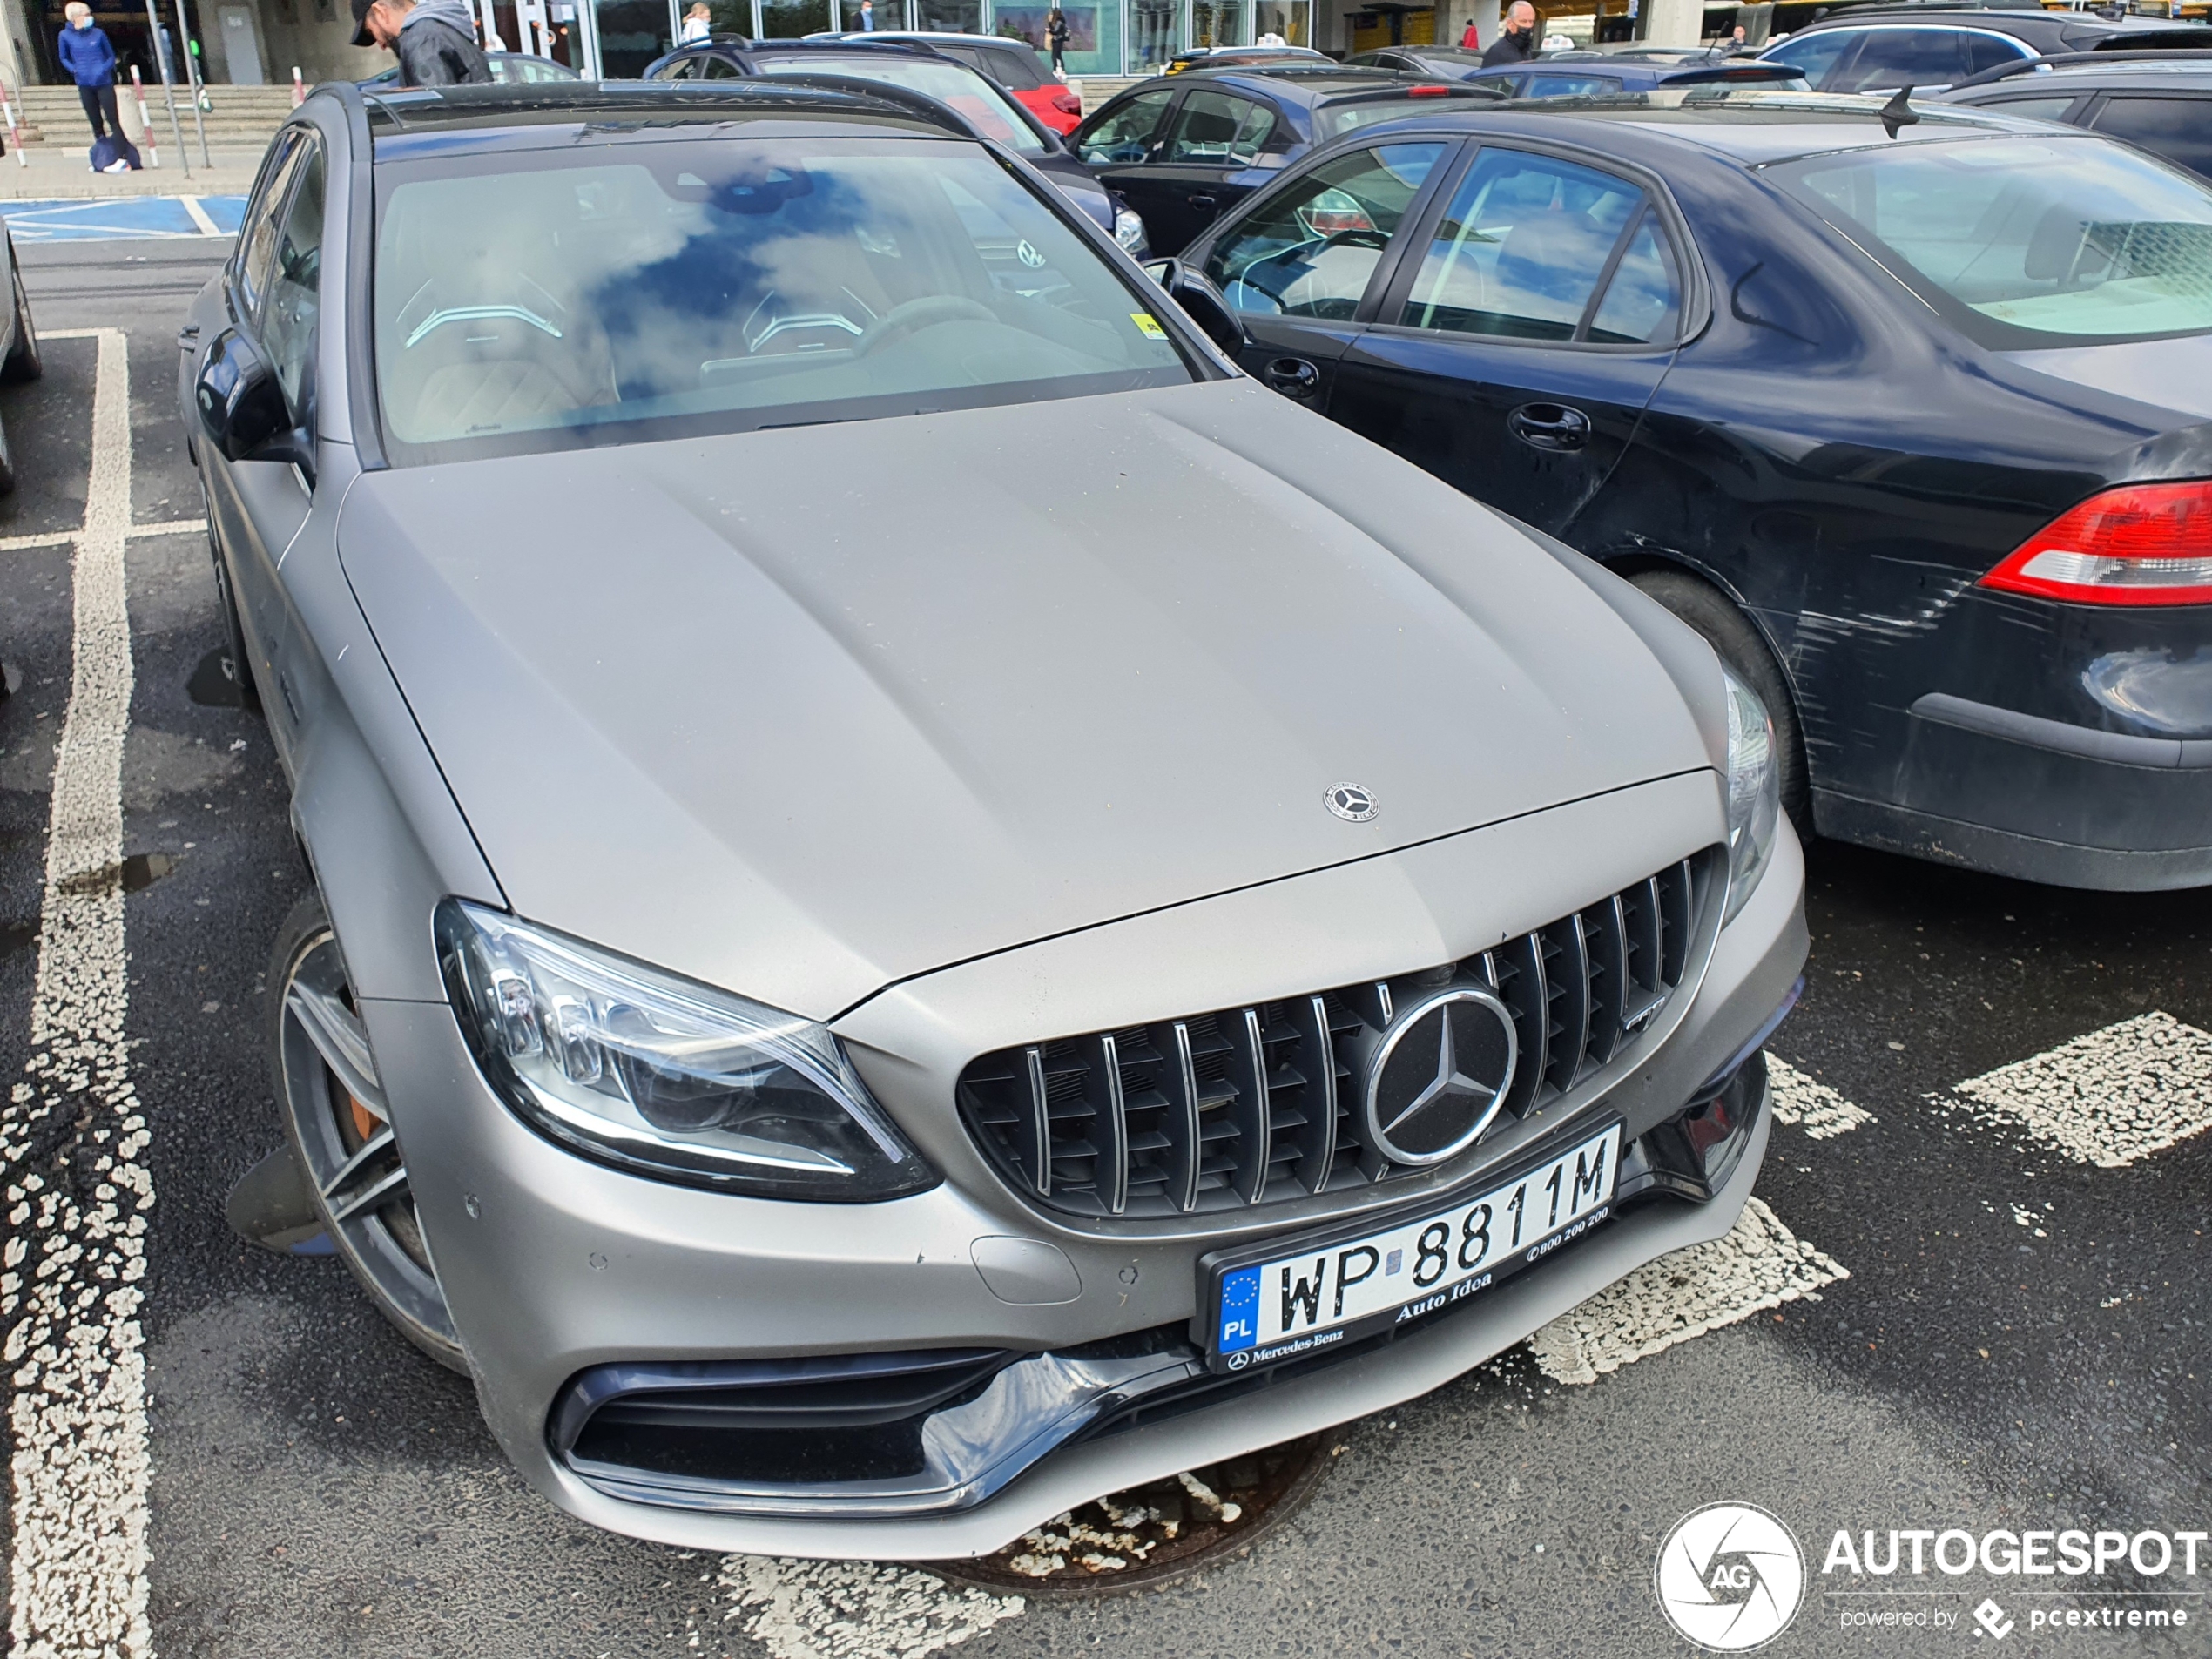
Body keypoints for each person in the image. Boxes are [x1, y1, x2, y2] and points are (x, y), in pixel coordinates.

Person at [351, 0, 491, 86]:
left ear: (380, 13)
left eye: (371, 32)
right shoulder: (442, 26)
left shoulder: (421, 41)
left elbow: (435, 115)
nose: (381, 45)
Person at [56, 3, 120, 144]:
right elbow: (63, 57)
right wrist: (74, 69)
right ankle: (103, 154)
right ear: (75, 17)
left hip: (103, 82)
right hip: (84, 83)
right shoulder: (64, 35)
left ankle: (122, 150)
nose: (90, 17)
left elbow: (110, 56)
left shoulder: (98, 33)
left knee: (113, 119)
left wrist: (104, 69)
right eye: (86, 15)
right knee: (96, 122)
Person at [1480, 0, 1537, 66]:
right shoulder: (1498, 53)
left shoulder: (1525, 48)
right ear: (1510, 23)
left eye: (1531, 21)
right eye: (1524, 21)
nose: (1529, 25)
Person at [1046, 4, 1069, 71]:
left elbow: (1055, 31)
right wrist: (1050, 23)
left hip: (1057, 40)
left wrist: (1049, 31)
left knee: (1054, 55)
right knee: (1058, 55)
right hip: (1059, 40)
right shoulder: (1060, 22)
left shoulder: (1059, 22)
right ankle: (1062, 68)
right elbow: (1054, 29)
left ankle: (1055, 68)